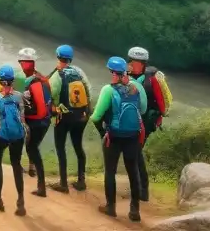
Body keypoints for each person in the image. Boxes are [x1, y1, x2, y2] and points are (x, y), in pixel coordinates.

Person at [90, 56, 147, 222]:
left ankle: (111, 207)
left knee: (110, 171)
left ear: (112, 72)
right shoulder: (136, 87)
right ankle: (135, 210)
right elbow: (142, 109)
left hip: (114, 137)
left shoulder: (108, 90)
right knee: (133, 170)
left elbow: (95, 117)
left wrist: (103, 128)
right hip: (133, 137)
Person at [0, 64, 28, 215]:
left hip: (1, 136)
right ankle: (20, 203)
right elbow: (22, 117)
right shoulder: (19, 96)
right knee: (16, 165)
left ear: (0, 82)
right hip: (18, 136)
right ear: (12, 81)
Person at [128, 46, 171, 203]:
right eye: (131, 61)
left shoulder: (152, 79)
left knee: (136, 152)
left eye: (136, 62)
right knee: (134, 152)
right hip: (132, 119)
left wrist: (157, 119)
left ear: (143, 63)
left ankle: (143, 190)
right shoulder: (128, 74)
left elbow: (161, 104)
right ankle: (139, 187)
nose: (132, 64)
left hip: (147, 121)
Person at [47, 44, 92, 193]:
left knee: (61, 148)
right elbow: (88, 92)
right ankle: (81, 181)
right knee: (78, 146)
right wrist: (86, 112)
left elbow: (50, 96)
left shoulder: (57, 76)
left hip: (64, 117)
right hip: (81, 117)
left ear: (58, 57)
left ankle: (63, 183)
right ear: (70, 59)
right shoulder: (79, 72)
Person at [17, 47, 53, 197]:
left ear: (26, 63)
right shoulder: (42, 78)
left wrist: (25, 119)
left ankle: (41, 186)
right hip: (45, 121)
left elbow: (38, 110)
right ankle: (30, 168)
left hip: (37, 122)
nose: (20, 64)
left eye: (21, 62)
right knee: (32, 146)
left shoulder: (33, 83)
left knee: (32, 148)